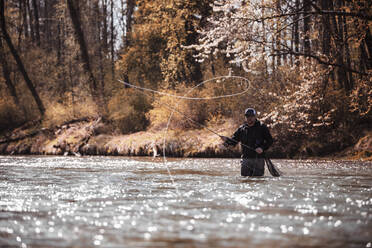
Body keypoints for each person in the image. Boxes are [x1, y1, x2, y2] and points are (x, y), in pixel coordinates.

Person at [221, 108, 273, 176]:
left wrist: (262, 148)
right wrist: (227, 140)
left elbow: (270, 141)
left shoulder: (262, 127)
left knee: (258, 180)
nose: (249, 118)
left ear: (255, 117)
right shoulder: (242, 129)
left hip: (258, 159)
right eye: (247, 116)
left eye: (251, 116)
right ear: (245, 117)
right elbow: (234, 141)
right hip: (245, 159)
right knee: (244, 180)